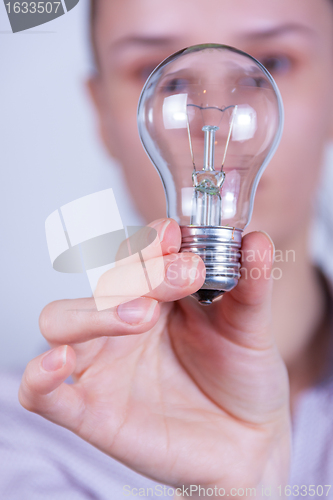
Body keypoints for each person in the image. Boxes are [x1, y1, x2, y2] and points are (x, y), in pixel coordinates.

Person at [12, 0, 333, 498]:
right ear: (102, 112)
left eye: (273, 63)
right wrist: (230, 487)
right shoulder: (25, 435)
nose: (216, 120)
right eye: (166, 79)